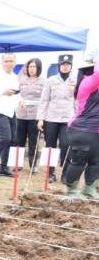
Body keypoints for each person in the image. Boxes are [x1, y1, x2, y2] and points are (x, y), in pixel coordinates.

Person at [64, 53, 99, 199]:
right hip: (82, 130)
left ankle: (89, 189)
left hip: (95, 130)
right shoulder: (87, 82)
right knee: (79, 162)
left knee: (96, 161)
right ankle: (71, 192)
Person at [38, 54, 76, 183]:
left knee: (66, 145)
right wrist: (41, 118)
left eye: (68, 65)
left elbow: (78, 101)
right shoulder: (51, 80)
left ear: (71, 66)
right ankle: (50, 173)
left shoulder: (76, 80)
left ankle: (65, 174)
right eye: (63, 65)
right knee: (50, 146)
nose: (65, 67)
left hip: (68, 118)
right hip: (51, 117)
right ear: (59, 66)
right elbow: (44, 100)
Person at [15, 57, 45, 173]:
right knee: (19, 140)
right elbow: (16, 94)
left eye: (34, 67)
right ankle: (17, 163)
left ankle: (33, 164)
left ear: (38, 68)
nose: (32, 69)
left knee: (33, 141)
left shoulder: (43, 82)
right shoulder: (21, 80)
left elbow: (45, 99)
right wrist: (20, 100)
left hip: (35, 115)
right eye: (30, 67)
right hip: (21, 114)